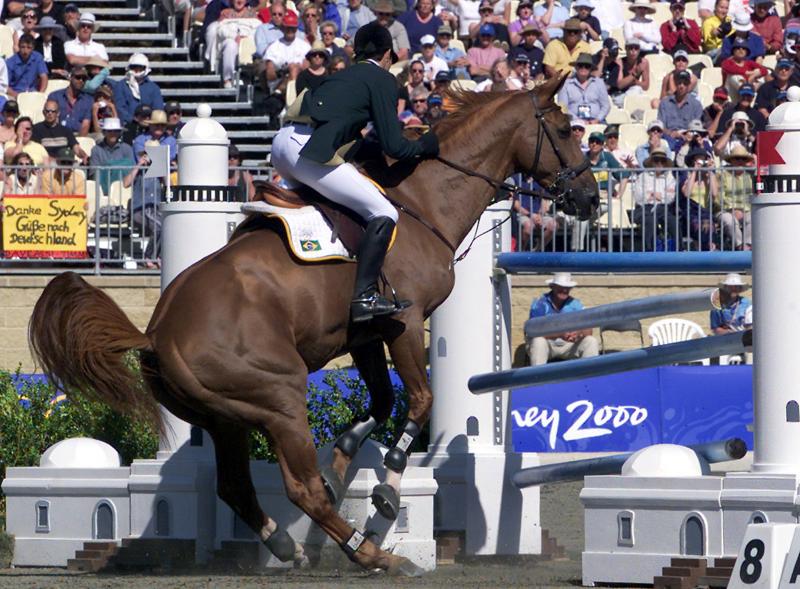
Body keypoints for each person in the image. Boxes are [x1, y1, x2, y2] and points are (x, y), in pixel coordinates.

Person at [270, 21, 439, 323]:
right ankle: (363, 297)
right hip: (308, 151)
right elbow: (395, 146)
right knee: (384, 212)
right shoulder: (382, 79)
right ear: (388, 54)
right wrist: (427, 143)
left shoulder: (343, 74)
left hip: (283, 144)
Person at [526, 272, 600, 366]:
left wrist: (578, 332)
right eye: (560, 287)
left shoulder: (576, 304)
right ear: (552, 287)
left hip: (569, 345)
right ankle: (538, 378)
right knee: (538, 341)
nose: (564, 290)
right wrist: (560, 334)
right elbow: (534, 331)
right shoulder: (539, 304)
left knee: (591, 341)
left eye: (567, 287)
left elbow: (589, 330)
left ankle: (590, 378)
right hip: (547, 344)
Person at [631, 148, 676, 251]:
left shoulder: (669, 178)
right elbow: (638, 197)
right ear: (652, 162)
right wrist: (657, 196)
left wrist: (652, 194)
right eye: (656, 161)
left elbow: (670, 197)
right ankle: (649, 250)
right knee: (650, 221)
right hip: (644, 209)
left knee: (673, 221)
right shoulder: (642, 176)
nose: (659, 163)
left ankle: (679, 249)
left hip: (662, 208)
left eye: (662, 161)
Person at [716, 144, 754, 250]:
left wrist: (744, 211)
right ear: (731, 160)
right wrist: (732, 209)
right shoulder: (722, 174)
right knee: (729, 220)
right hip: (725, 210)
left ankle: (747, 247)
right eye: (737, 158)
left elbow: (755, 196)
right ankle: (739, 246)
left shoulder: (750, 175)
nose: (740, 161)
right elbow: (718, 198)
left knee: (754, 217)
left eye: (743, 159)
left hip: (747, 210)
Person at [216, 0, 259, 89]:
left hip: (247, 43)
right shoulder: (226, 13)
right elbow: (221, 30)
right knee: (230, 45)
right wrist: (234, 36)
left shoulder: (252, 14)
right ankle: (228, 79)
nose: (239, 1)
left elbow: (257, 30)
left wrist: (245, 37)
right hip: (231, 40)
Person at [680, 147, 717, 250]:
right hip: (691, 213)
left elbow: (714, 194)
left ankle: (708, 247)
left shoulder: (709, 178)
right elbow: (686, 193)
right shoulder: (687, 177)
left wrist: (710, 171)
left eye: (703, 159)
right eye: (699, 160)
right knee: (699, 224)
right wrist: (694, 171)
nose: (702, 163)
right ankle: (706, 247)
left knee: (707, 223)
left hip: (705, 213)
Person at [112, 53, 165, 125]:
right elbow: (119, 108)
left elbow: (158, 109)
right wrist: (134, 120)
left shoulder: (154, 88)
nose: (137, 69)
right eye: (134, 67)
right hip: (127, 126)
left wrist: (148, 121)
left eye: (140, 67)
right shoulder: (121, 86)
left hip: (150, 127)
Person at [557, 52, 610, 123]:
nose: (583, 68)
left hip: (596, 121)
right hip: (573, 122)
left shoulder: (599, 83)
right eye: (580, 65)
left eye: (587, 66)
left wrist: (597, 119)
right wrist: (578, 121)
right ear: (576, 67)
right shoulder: (566, 84)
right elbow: (563, 107)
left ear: (591, 68)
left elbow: (606, 106)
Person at [89, 117, 134, 196]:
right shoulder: (96, 150)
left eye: (116, 131)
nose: (113, 133)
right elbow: (94, 173)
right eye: (109, 131)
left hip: (123, 190)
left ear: (120, 132)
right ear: (104, 132)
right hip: (102, 192)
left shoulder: (127, 148)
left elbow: (131, 171)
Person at [656, 70, 703, 145]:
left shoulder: (696, 105)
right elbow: (660, 126)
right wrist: (672, 133)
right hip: (669, 138)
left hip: (689, 139)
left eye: (685, 83)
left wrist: (686, 135)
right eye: (679, 83)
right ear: (675, 84)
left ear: (688, 85)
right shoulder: (665, 103)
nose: (681, 86)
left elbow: (697, 126)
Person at [48, 66, 93, 136]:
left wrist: (79, 141)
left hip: (79, 134)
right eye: (78, 77)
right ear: (70, 77)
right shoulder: (55, 96)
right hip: (59, 133)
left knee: (99, 136)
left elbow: (85, 125)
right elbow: (52, 120)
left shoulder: (88, 99)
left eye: (84, 79)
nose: (81, 80)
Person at [615, 38, 650, 107]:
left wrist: (635, 82)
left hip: (634, 92)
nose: (633, 51)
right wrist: (635, 74)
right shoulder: (620, 62)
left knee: (637, 89)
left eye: (636, 48)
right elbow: (620, 85)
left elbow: (646, 86)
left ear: (639, 50)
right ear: (626, 49)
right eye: (631, 48)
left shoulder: (644, 62)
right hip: (621, 93)